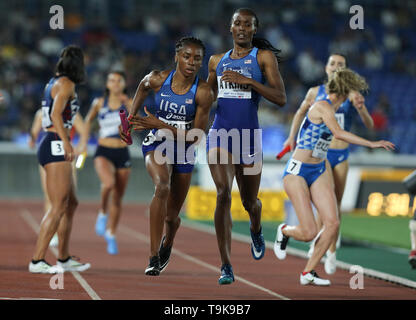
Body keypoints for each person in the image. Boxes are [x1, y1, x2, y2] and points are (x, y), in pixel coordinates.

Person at [274, 68, 395, 286]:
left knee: (332, 223)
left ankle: (308, 271)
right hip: (298, 171)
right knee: (309, 231)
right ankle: (284, 231)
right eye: (351, 92)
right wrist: (371, 143)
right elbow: (338, 133)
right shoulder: (322, 106)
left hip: (318, 169)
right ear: (344, 92)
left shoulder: (336, 107)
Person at [206, 8, 286, 284]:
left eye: (247, 24)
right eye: (237, 23)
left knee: (250, 202)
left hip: (249, 138)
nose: (241, 28)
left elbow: (280, 97)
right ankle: (226, 265)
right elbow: (208, 98)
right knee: (222, 194)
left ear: (254, 29)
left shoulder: (263, 57)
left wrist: (249, 81)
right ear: (230, 28)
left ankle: (256, 227)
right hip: (220, 134)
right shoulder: (216, 61)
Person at [121, 37, 214, 275]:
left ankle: (168, 242)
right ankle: (153, 256)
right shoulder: (158, 78)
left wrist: (160, 123)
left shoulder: (203, 92)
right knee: (162, 186)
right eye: (187, 56)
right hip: (158, 144)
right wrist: (131, 119)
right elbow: (142, 87)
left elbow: (196, 136)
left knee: (172, 217)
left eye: (197, 58)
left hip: (184, 149)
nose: (192, 62)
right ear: (177, 56)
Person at [283, 53, 374, 274]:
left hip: (340, 154)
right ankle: (317, 245)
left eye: (340, 65)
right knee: (324, 205)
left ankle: (331, 251)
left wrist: (361, 108)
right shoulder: (315, 92)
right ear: (325, 68)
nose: (335, 67)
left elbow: (369, 125)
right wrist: (291, 136)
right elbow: (300, 113)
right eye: (332, 63)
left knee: (335, 204)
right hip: (319, 156)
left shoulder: (352, 95)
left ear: (345, 69)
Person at [28, 45, 91, 274]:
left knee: (71, 203)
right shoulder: (66, 84)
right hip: (55, 143)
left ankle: (63, 257)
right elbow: (55, 115)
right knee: (57, 206)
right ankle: (37, 260)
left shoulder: (54, 83)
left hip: (53, 142)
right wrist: (66, 142)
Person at [84, 71, 132, 255]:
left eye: (118, 80)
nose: (114, 83)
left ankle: (111, 233)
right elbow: (88, 121)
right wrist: (83, 142)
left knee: (118, 197)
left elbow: (135, 126)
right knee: (109, 184)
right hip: (103, 150)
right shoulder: (99, 103)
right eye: (111, 79)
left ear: (123, 84)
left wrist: (128, 124)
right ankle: (103, 212)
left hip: (122, 151)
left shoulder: (128, 103)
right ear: (107, 84)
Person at [29, 109, 88, 247]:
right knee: (49, 196)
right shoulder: (41, 113)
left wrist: (82, 145)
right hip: (48, 153)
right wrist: (32, 138)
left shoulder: (72, 112)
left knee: (68, 198)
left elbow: (84, 130)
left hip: (67, 154)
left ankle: (62, 232)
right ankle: (53, 233)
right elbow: (33, 133)